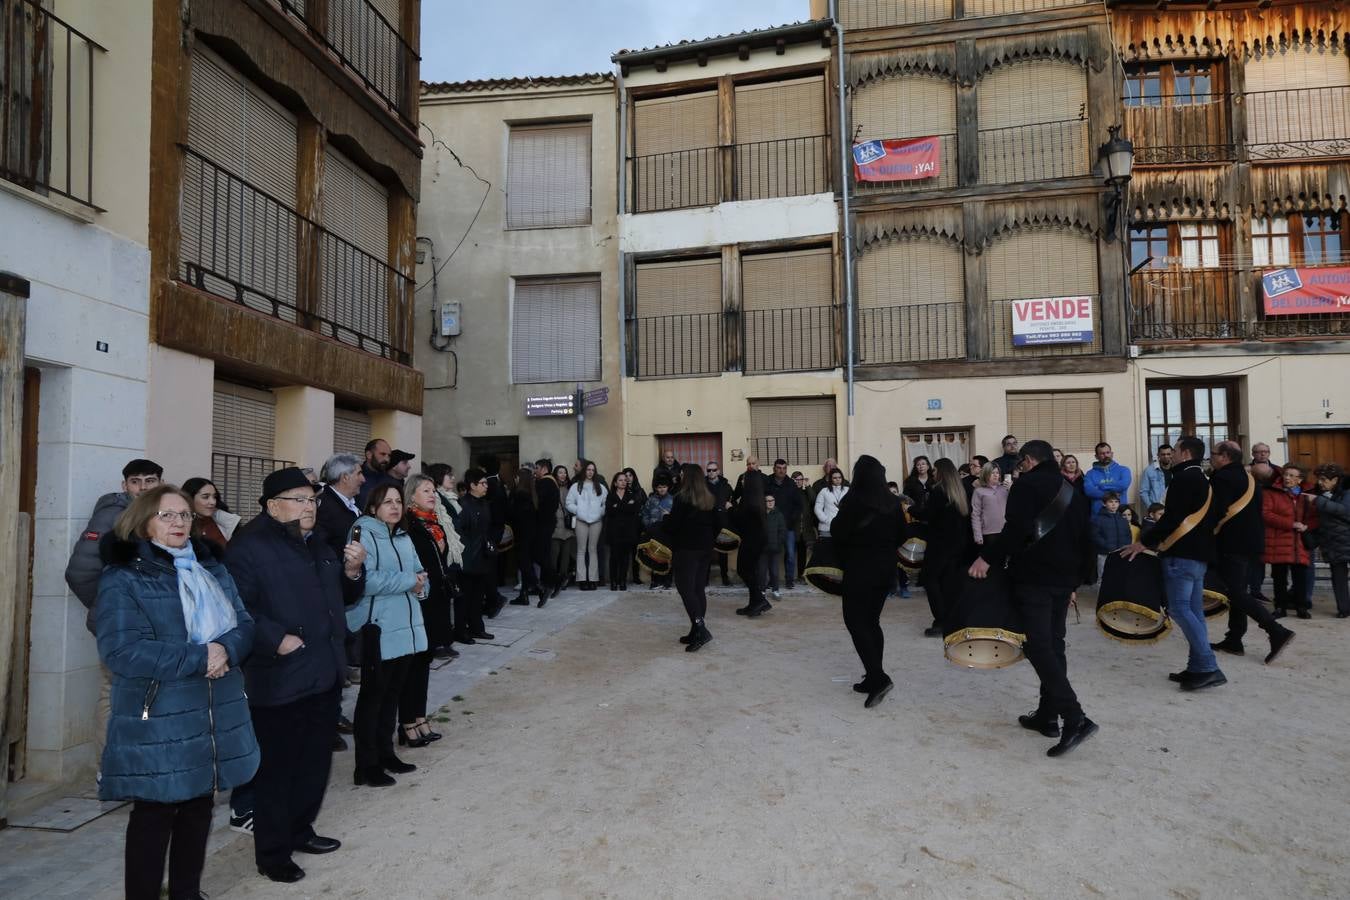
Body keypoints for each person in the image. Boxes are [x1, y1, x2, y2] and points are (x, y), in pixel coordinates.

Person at [95, 484, 259, 900]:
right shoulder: (124, 576)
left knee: (199, 809)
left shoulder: (211, 569)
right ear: (144, 521)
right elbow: (122, 650)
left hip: (213, 710)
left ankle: (187, 893)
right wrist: (199, 658)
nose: (179, 522)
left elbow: (244, 624)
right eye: (167, 515)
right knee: (154, 814)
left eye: (184, 515)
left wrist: (226, 648)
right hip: (160, 714)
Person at [226, 467, 365, 883]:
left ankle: (301, 830)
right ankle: (272, 853)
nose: (310, 507)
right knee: (277, 770)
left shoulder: (318, 542)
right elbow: (235, 607)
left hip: (323, 670)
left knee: (314, 762)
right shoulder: (248, 546)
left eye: (313, 500)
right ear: (273, 506)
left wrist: (353, 573)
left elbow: (341, 597)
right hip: (278, 676)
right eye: (300, 499)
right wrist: (274, 639)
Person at [970, 439, 1096, 757]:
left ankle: (1074, 717)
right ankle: (1047, 716)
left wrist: (987, 558)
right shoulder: (1072, 489)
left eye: (1022, 463)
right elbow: (1085, 535)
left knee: (1038, 646)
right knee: (1054, 644)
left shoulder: (1026, 486)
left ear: (1027, 460)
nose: (1020, 467)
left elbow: (1015, 530)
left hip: (1036, 577)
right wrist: (1078, 580)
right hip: (1064, 578)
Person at [1121, 436, 1225, 691]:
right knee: (1193, 611)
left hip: (1182, 554)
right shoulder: (1203, 479)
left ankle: (1209, 666)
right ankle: (1197, 666)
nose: (1172, 454)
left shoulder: (1184, 478)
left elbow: (1172, 518)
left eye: (1176, 450)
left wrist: (1144, 541)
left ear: (1186, 453)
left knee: (1179, 610)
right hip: (1198, 554)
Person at [347, 484, 427, 788]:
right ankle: (365, 766)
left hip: (405, 627)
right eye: (387, 502)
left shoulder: (404, 536)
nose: (394, 506)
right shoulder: (363, 532)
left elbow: (420, 573)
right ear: (372, 508)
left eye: (398, 501)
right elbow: (364, 580)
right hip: (377, 628)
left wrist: (422, 584)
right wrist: (410, 581)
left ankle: (386, 754)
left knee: (392, 695)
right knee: (373, 697)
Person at [1207, 441, 1295, 662]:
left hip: (1231, 543)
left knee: (1235, 592)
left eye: (1214, 454)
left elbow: (1216, 511)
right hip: (1250, 543)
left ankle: (1276, 631)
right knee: (1237, 590)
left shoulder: (1223, 478)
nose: (1211, 458)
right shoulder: (1248, 477)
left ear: (1225, 457)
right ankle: (1234, 638)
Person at [831, 455, 905, 709]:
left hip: (859, 571)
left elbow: (838, 532)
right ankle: (873, 675)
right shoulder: (893, 502)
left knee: (855, 621)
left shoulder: (853, 501)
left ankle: (878, 677)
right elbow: (902, 535)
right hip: (885, 572)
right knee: (872, 622)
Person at [402, 473, 458, 743]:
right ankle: (407, 723)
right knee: (413, 662)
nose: (433, 495)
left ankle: (420, 717)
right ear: (411, 495)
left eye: (434, 491)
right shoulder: (409, 525)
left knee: (425, 660)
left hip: (435, 598)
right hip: (417, 599)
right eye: (426, 491)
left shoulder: (435, 522)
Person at [668, 463, 721, 651]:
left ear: (688, 477)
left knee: (686, 589)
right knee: (698, 589)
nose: (680, 477)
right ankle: (695, 630)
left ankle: (701, 629)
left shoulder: (681, 498)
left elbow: (673, 525)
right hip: (705, 549)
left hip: (687, 549)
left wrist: (665, 519)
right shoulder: (710, 498)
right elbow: (718, 524)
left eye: (682, 474)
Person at [921, 458, 973, 638]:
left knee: (931, 581)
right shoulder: (961, 491)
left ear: (942, 472)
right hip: (958, 545)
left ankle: (941, 620)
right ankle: (953, 619)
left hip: (940, 546)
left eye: (934, 470)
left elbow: (929, 515)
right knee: (949, 583)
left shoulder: (938, 492)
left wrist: (910, 509)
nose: (932, 473)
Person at [1262, 462, 1317, 619]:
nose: (1287, 478)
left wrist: (1306, 526)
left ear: (1300, 479)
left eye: (1292, 476)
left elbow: (1316, 517)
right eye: (1286, 474)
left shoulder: (1308, 494)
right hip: (1278, 541)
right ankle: (1280, 607)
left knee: (1301, 577)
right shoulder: (1271, 492)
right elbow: (1266, 514)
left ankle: (1301, 607)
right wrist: (1291, 524)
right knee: (1279, 577)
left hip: (1300, 542)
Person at [452, 468, 495, 644]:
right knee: (465, 597)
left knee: (478, 596)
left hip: (482, 556)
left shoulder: (485, 504)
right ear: (472, 485)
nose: (486, 486)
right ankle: (461, 631)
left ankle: (477, 628)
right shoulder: (462, 505)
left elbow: (486, 529)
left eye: (486, 483)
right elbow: (459, 532)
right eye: (483, 483)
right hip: (467, 557)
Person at [1312, 463, 1350, 618]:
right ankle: (1344, 609)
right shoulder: (1319, 493)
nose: (1320, 482)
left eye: (1323, 479)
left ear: (1335, 480)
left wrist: (1318, 501)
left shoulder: (1347, 492)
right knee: (1338, 577)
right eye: (1318, 479)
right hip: (1333, 542)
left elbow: (1345, 511)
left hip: (1346, 539)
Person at [731, 472, 770, 617]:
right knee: (749, 571)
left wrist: (730, 509)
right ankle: (754, 603)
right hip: (755, 539)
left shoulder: (751, 501)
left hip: (752, 540)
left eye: (743, 480)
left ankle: (759, 600)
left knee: (743, 570)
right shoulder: (754, 499)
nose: (741, 482)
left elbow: (740, 520)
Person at [315, 453, 366, 560]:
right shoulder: (324, 508)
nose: (363, 479)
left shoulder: (358, 502)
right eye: (359, 474)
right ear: (345, 477)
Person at [565, 459, 607, 590]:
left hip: (596, 521)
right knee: (581, 550)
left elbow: (606, 503)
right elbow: (569, 503)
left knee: (593, 549)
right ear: (584, 471)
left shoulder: (600, 487)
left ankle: (593, 579)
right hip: (581, 521)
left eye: (593, 470)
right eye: (588, 469)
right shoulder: (576, 486)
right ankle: (582, 579)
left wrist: (600, 512)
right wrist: (579, 511)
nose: (590, 472)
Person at [507, 467, 545, 605]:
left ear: (519, 479)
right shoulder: (532, 495)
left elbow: (514, 515)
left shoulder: (520, 494)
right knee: (526, 562)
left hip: (522, 534)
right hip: (530, 533)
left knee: (524, 563)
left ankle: (539, 587)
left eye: (516, 477)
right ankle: (524, 595)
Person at [765, 459, 802, 590]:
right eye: (779, 468)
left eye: (784, 468)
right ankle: (772, 581)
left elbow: (799, 505)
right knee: (770, 554)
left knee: (791, 554)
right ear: (774, 468)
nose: (782, 470)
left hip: (788, 526)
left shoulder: (791, 484)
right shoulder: (767, 482)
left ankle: (789, 580)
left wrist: (792, 519)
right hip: (771, 526)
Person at [604, 471, 642, 590]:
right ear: (615, 483)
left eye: (625, 480)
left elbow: (634, 509)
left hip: (628, 531)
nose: (623, 482)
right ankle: (614, 582)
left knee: (625, 558)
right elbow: (610, 511)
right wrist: (625, 506)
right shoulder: (610, 496)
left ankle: (622, 581)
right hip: (614, 531)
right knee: (614, 557)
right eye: (620, 480)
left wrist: (618, 506)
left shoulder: (631, 495)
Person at [182, 477, 240, 551]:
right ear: (189, 498)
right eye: (205, 497)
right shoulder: (180, 525)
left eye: (214, 497)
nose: (213, 502)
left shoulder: (225, 520)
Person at [533, 459, 561, 602]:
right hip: (548, 522)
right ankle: (551, 582)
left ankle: (555, 580)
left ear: (544, 468)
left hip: (544, 523)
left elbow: (538, 502)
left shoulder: (545, 482)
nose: (535, 471)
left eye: (537, 468)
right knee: (543, 554)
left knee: (540, 554)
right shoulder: (552, 481)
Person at [641, 476, 675, 589]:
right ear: (656, 488)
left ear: (668, 487)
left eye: (664, 487)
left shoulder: (673, 500)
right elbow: (644, 514)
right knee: (654, 556)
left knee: (667, 557)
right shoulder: (651, 500)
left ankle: (667, 581)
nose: (662, 489)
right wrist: (648, 525)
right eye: (659, 487)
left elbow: (676, 517)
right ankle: (655, 581)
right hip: (653, 532)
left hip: (667, 533)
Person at [1083, 442, 1133, 515]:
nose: (1106, 455)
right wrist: (1113, 492)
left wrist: (1101, 487)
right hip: (1098, 516)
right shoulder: (1090, 474)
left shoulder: (1124, 470)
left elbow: (1123, 485)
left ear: (1112, 454)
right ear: (1096, 456)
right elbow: (1089, 491)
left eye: (1108, 452)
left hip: (1120, 514)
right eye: (1102, 453)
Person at [1091, 492, 1133, 578]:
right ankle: (1103, 592)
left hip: (1121, 553)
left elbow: (1128, 535)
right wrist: (1107, 546)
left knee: (1120, 576)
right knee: (1103, 577)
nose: (1114, 504)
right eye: (1110, 502)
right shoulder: (1098, 519)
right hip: (1105, 553)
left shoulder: (1123, 520)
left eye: (1116, 502)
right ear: (1104, 503)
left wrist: (1125, 547)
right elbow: (1095, 535)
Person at [706, 461, 734, 586]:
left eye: (713, 470)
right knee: (706, 551)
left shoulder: (726, 485)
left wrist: (730, 507)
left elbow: (732, 501)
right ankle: (704, 578)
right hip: (707, 523)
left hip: (723, 522)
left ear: (718, 471)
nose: (711, 472)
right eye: (708, 470)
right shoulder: (702, 485)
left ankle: (725, 577)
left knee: (723, 551)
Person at [550, 465, 576, 594]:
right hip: (555, 527)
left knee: (566, 557)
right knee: (554, 555)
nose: (563, 475)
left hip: (567, 527)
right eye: (560, 472)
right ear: (555, 474)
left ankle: (562, 580)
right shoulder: (551, 487)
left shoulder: (571, 488)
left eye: (565, 473)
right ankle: (553, 580)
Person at [970, 462, 1008, 547]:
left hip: (1006, 530)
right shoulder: (978, 491)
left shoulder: (1004, 489)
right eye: (992, 473)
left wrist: (1011, 489)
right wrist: (978, 535)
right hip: (989, 532)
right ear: (986, 474)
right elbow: (975, 514)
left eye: (997, 473)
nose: (995, 475)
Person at [762, 493, 788, 598]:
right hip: (762, 548)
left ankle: (775, 590)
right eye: (768, 501)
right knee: (762, 571)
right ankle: (762, 590)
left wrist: (778, 544)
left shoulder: (779, 515)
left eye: (772, 500)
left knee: (774, 571)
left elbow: (782, 531)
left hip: (775, 548)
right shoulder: (761, 514)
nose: (770, 502)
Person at [356, 438, 393, 507]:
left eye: (389, 456)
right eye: (383, 454)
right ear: (369, 454)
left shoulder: (391, 481)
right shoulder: (355, 477)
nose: (387, 459)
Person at [814, 468, 848, 538]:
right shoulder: (824, 491)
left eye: (839, 477)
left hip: (844, 526)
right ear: (830, 479)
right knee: (827, 547)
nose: (838, 479)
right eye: (835, 478)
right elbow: (817, 508)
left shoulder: (848, 490)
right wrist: (825, 519)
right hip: (827, 527)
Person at [1140, 444, 1174, 509]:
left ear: (1172, 454)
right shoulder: (1149, 470)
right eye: (1163, 454)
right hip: (1157, 509)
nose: (1166, 456)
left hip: (1174, 507)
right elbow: (1144, 492)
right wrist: (1151, 508)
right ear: (1158, 455)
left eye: (1168, 454)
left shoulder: (1177, 470)